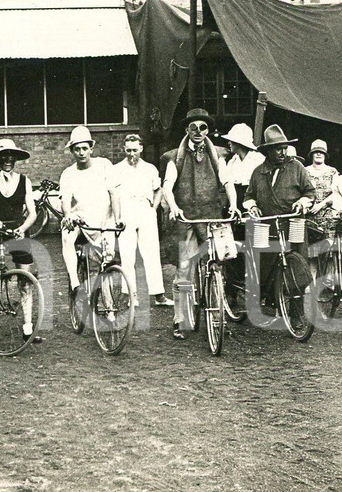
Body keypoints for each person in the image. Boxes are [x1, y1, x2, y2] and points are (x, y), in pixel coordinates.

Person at [163, 109, 240, 339]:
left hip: (211, 216)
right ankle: (180, 319)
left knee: (217, 263)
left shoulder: (217, 155)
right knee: (185, 268)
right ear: (187, 129)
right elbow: (167, 186)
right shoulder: (175, 156)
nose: (198, 132)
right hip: (186, 218)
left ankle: (217, 315)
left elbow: (227, 181)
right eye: (193, 128)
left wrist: (234, 204)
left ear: (209, 130)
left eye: (203, 128)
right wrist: (174, 207)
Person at [242, 124, 314, 313]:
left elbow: (310, 192)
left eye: (285, 148)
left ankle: (297, 313)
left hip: (293, 224)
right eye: (278, 148)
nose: (283, 152)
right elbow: (248, 196)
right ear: (268, 151)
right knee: (265, 265)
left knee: (296, 268)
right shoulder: (259, 172)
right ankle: (271, 300)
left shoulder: (296, 167)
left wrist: (302, 203)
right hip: (267, 226)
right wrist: (253, 206)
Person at [0, 139, 42, 343]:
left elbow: (32, 212)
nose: (7, 159)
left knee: (26, 279)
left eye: (10, 156)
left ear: (15, 158)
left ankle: (27, 327)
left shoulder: (24, 181)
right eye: (3, 156)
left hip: (18, 233)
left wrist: (22, 228)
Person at [59, 126, 124, 302]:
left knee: (105, 263)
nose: (81, 152)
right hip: (80, 220)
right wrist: (68, 215)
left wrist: (118, 220)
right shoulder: (68, 173)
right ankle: (74, 281)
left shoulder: (104, 165)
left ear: (91, 149)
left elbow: (114, 194)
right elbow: (65, 200)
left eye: (84, 148)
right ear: (72, 151)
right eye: (77, 149)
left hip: (104, 221)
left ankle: (110, 307)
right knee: (67, 236)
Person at [111, 134, 171, 308]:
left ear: (141, 149)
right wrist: (117, 218)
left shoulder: (150, 169)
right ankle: (132, 295)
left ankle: (159, 295)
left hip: (145, 210)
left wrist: (153, 208)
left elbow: (158, 190)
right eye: (128, 150)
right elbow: (114, 196)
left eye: (135, 150)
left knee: (151, 252)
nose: (131, 154)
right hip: (126, 212)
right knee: (127, 255)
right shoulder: (117, 169)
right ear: (124, 149)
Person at [218, 124, 265, 305]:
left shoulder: (258, 160)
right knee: (232, 250)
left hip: (253, 205)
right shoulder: (232, 161)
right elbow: (229, 186)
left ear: (239, 142)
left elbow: (260, 187)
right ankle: (232, 291)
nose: (229, 144)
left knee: (254, 250)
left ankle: (256, 293)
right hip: (234, 206)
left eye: (231, 141)